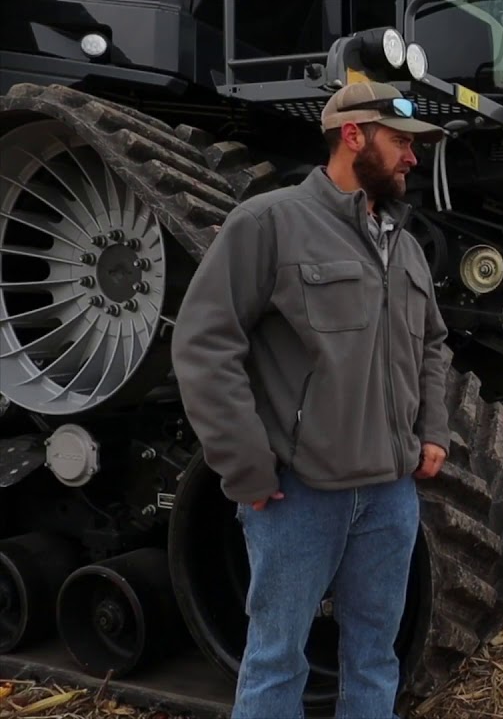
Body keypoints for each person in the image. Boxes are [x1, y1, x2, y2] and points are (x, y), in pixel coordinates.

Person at [171, 81, 452, 719]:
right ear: (353, 135)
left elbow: (434, 344)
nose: (412, 158)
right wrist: (245, 466)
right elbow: (205, 344)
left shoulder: (405, 246)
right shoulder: (268, 223)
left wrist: (433, 430)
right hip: (299, 496)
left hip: (390, 495)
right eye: (401, 141)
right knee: (276, 661)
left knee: (375, 659)